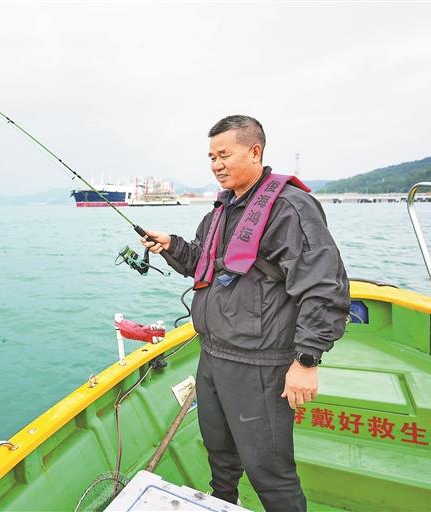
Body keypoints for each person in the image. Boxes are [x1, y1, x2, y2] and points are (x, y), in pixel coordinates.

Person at [140, 115, 350, 512]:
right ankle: (224, 501)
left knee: (268, 469)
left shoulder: (289, 207)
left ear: (255, 151)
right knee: (219, 451)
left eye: (224, 155)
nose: (216, 165)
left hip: (260, 362)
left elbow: (323, 285)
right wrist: (171, 246)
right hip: (213, 354)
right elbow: (204, 263)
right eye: (211, 157)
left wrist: (306, 360)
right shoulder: (221, 210)